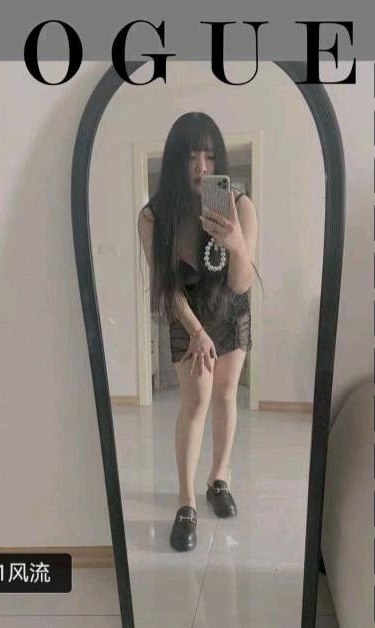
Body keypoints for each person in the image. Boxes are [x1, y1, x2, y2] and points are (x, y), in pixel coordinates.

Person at [137, 112, 259, 551]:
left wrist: (236, 243)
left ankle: (218, 480)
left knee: (226, 396)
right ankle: (186, 500)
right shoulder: (154, 217)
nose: (201, 167)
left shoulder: (240, 206)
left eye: (209, 156)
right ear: (175, 161)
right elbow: (166, 287)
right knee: (195, 402)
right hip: (186, 314)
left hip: (230, 310)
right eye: (191, 157)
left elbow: (241, 284)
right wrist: (195, 331)